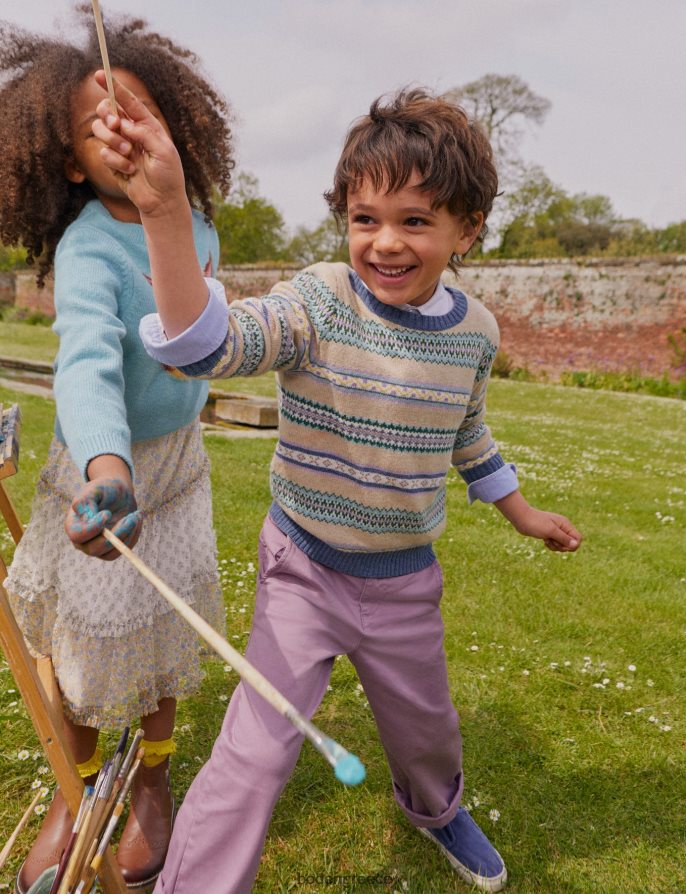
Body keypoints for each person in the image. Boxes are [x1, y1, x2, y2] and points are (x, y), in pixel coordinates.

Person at [91, 78, 582, 893]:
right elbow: (206, 344)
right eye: (366, 219)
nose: (385, 243)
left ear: (469, 229)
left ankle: (434, 811)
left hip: (404, 581)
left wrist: (522, 511)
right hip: (303, 573)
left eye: (415, 221)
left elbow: (467, 433)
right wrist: (164, 212)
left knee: (428, 736)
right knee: (255, 751)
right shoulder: (317, 300)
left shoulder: (476, 333)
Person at [0, 10, 233, 892]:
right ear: (68, 162)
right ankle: (81, 782)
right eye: (100, 128)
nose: (124, 133)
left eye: (141, 115)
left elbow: (203, 335)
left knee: (168, 623)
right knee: (90, 638)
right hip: (106, 479)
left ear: (176, 128)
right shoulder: (88, 247)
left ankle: (154, 773)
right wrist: (107, 467)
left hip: (177, 470)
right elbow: (88, 363)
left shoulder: (199, 227)